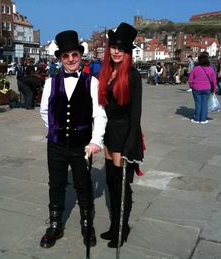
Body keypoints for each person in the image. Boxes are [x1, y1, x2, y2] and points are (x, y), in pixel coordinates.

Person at [39, 30, 107, 248]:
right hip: (56, 145)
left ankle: (87, 224)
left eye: (74, 55)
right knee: (56, 184)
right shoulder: (51, 82)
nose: (70, 60)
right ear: (60, 59)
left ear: (80, 56)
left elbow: (100, 114)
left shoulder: (92, 82)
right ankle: (55, 225)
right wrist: (56, 130)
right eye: (66, 56)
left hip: (82, 146)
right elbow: (44, 111)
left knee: (84, 185)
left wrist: (96, 140)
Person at [98, 22, 144, 248]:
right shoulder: (107, 72)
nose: (116, 51)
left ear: (127, 52)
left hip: (124, 134)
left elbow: (136, 116)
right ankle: (114, 225)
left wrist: (129, 144)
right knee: (110, 182)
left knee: (121, 185)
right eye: (114, 46)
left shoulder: (133, 76)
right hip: (109, 133)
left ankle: (122, 229)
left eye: (122, 48)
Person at [188, 52, 217, 124]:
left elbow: (190, 80)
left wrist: (191, 86)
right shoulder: (211, 69)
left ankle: (197, 119)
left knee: (198, 103)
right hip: (207, 88)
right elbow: (214, 81)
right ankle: (203, 119)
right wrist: (214, 90)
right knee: (204, 104)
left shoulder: (195, 69)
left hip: (196, 88)